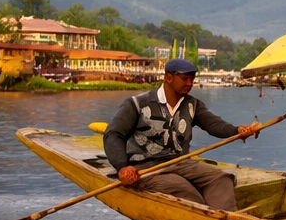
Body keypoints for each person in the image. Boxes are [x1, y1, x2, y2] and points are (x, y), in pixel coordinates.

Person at [102, 58, 264, 210]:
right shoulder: (136, 104)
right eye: (184, 78)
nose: (189, 83)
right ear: (168, 77)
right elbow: (113, 135)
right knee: (181, 188)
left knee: (221, 178)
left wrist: (238, 131)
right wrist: (123, 167)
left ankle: (226, 219)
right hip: (147, 168)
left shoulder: (192, 105)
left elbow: (214, 125)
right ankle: (204, 219)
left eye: (192, 79)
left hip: (182, 163)